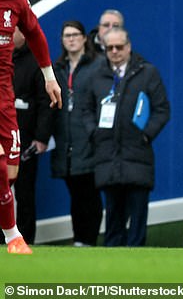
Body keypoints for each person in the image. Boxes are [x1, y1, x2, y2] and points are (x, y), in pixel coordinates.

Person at [0, 0, 62, 254]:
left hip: (4, 96)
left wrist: (49, 77)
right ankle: (13, 236)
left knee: (10, 173)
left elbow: (36, 36)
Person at [83, 26, 170, 246]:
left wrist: (146, 135)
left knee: (137, 218)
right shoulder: (97, 74)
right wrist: (94, 132)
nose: (114, 51)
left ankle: (138, 266)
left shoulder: (147, 72)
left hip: (137, 153)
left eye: (119, 47)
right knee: (113, 216)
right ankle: (111, 266)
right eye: (109, 47)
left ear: (128, 47)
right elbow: (86, 109)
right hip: (107, 155)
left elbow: (162, 109)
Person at [51, 20, 103, 247]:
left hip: (89, 139)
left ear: (84, 38)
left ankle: (89, 239)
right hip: (65, 141)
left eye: (75, 34)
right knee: (75, 193)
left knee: (90, 193)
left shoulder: (98, 65)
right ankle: (79, 239)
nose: (71, 39)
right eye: (66, 35)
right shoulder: (57, 68)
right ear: (62, 40)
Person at [12, 26, 54, 244]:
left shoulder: (37, 60)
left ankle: (26, 240)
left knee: (25, 193)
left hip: (26, 140)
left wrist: (41, 137)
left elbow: (45, 103)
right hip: (2, 139)